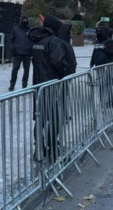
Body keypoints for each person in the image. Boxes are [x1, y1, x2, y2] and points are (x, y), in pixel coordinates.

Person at [28, 15, 70, 162]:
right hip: (51, 83)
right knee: (53, 118)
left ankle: (38, 149)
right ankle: (52, 147)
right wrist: (63, 75)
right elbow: (58, 62)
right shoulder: (53, 42)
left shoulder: (36, 41)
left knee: (39, 118)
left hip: (38, 83)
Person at [7, 16, 33, 91]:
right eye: (23, 20)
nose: (25, 22)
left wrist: (31, 51)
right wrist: (13, 51)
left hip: (27, 54)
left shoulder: (30, 30)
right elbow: (10, 40)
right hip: (17, 53)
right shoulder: (15, 29)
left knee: (26, 70)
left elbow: (33, 40)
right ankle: (12, 85)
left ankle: (24, 85)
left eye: (26, 20)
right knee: (15, 69)